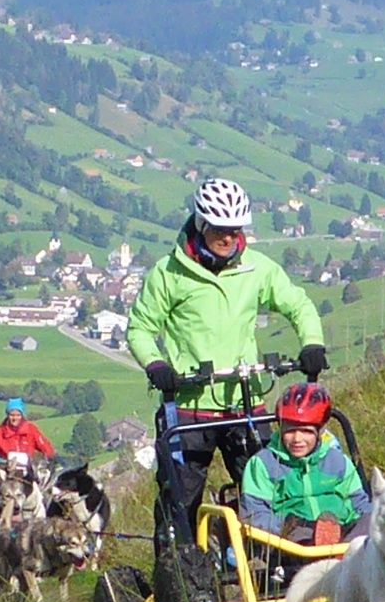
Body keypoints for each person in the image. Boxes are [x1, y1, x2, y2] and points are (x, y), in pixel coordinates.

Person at [127, 176, 328, 545]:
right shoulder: (169, 274)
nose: (228, 238)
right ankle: (178, 570)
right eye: (220, 229)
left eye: (235, 230)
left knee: (272, 490)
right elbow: (140, 328)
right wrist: (155, 364)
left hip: (245, 402)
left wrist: (312, 343)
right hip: (189, 407)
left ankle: (270, 564)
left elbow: (298, 304)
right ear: (201, 224)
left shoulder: (257, 268)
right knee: (180, 504)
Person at [239, 382, 370, 546]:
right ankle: (327, 547)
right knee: (300, 531)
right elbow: (255, 515)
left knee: (376, 518)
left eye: (306, 431)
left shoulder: (338, 462)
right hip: (292, 538)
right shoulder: (263, 464)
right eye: (290, 431)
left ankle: (342, 550)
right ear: (280, 428)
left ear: (320, 431)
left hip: (343, 530)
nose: (297, 439)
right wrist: (290, 526)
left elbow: (359, 504)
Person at [0, 398, 55, 463]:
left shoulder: (31, 430)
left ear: (22, 415)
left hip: (28, 469)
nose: (15, 418)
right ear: (7, 415)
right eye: (12, 415)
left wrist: (50, 457)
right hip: (5, 468)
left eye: (18, 415)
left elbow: (45, 447)